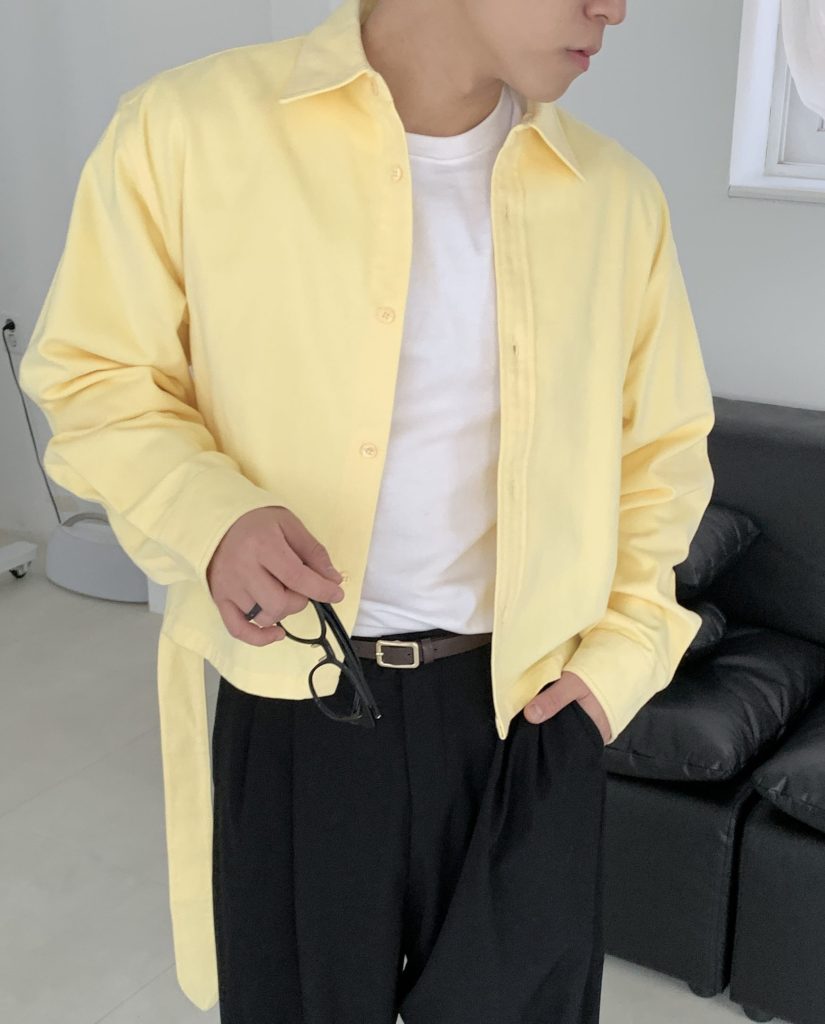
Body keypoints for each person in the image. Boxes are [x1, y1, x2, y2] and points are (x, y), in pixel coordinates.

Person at [19, 0, 717, 1020]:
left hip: (530, 715)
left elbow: (660, 460)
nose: (614, 7)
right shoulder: (188, 131)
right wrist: (208, 516)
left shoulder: (616, 201)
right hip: (297, 705)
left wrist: (617, 668)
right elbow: (93, 376)